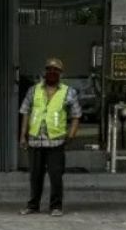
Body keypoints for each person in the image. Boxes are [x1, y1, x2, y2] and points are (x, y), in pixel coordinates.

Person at [19, 57, 82, 217]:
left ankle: (56, 206)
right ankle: (33, 205)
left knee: (55, 175)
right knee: (35, 176)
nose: (52, 72)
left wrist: (71, 134)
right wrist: (22, 135)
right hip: (35, 140)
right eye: (49, 69)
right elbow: (25, 112)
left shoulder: (68, 92)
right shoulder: (34, 90)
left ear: (61, 73)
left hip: (56, 142)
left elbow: (76, 115)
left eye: (56, 70)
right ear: (45, 72)